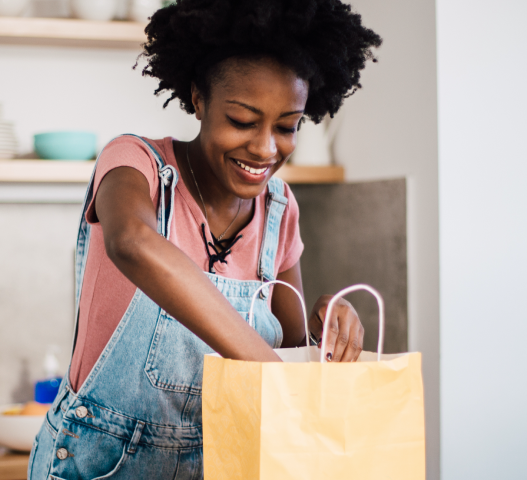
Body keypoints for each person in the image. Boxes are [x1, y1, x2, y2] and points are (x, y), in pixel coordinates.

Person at [28, 0, 381, 478]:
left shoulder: (279, 208)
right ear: (198, 98)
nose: (264, 148)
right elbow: (132, 242)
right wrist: (270, 369)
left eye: (286, 126)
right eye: (241, 121)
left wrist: (328, 325)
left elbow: (294, 350)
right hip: (97, 465)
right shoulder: (135, 164)